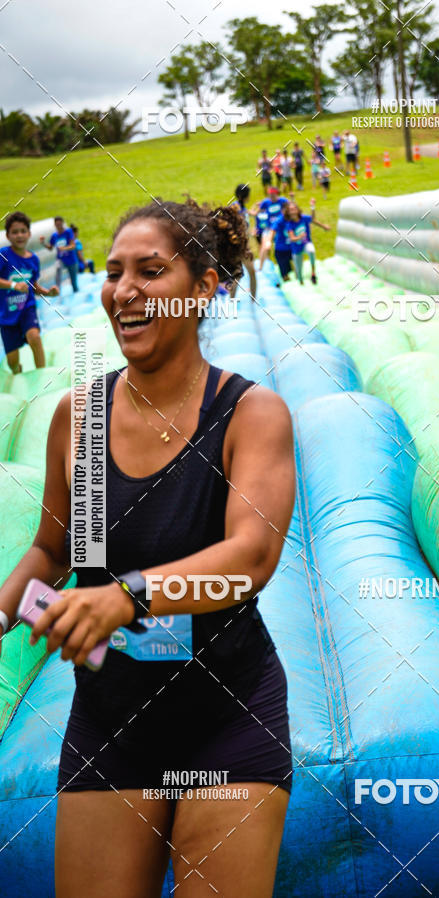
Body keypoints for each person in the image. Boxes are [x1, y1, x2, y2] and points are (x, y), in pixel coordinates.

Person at [0, 196, 296, 898]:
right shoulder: (82, 415)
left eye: (150, 271)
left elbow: (251, 557)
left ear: (203, 288)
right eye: (112, 272)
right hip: (111, 722)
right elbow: (55, 548)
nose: (123, 291)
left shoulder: (248, 414)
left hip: (227, 718)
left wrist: (125, 597)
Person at [0, 211, 58, 373]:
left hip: (26, 308)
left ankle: (42, 374)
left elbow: (33, 286)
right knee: (12, 361)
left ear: (29, 234)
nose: (19, 235)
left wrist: (48, 293)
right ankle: (17, 371)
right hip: (6, 314)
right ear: (8, 235)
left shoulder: (33, 259)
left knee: (34, 337)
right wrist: (13, 285)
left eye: (23, 231)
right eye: (15, 232)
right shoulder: (4, 255)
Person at [283, 200, 330, 285]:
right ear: (288, 213)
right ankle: (301, 281)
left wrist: (312, 207)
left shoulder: (304, 218)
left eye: (294, 209)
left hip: (306, 243)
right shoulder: (289, 224)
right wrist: (299, 237)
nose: (293, 211)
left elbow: (313, 219)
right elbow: (292, 238)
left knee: (311, 251)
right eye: (290, 209)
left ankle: (313, 273)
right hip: (296, 249)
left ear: (297, 210)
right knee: (298, 271)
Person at [250, 186, 288, 271]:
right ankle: (261, 267)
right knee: (265, 246)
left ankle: (287, 265)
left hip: (281, 228)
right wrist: (250, 211)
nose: (271, 197)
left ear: (277, 194)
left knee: (285, 247)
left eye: (273, 195)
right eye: (270, 195)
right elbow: (257, 213)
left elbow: (290, 209)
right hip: (269, 228)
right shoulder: (265, 202)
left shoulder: (283, 201)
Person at [230, 184, 257, 300]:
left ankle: (250, 299)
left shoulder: (241, 208)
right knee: (246, 273)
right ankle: (252, 300)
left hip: (242, 245)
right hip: (239, 246)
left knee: (241, 274)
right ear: (244, 196)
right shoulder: (236, 208)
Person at [40, 216, 79, 294]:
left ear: (63, 224)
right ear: (55, 225)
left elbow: (73, 246)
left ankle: (76, 293)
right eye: (57, 225)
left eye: (60, 224)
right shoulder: (54, 236)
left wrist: (64, 248)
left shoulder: (68, 232)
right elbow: (50, 248)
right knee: (58, 271)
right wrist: (43, 243)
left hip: (71, 260)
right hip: (61, 259)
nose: (59, 227)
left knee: (73, 282)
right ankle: (57, 292)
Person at [269, 210, 293, 283]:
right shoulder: (279, 220)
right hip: (281, 250)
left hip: (292, 248)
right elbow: (273, 230)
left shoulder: (293, 218)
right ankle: (285, 278)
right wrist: (269, 241)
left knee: (292, 270)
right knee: (285, 273)